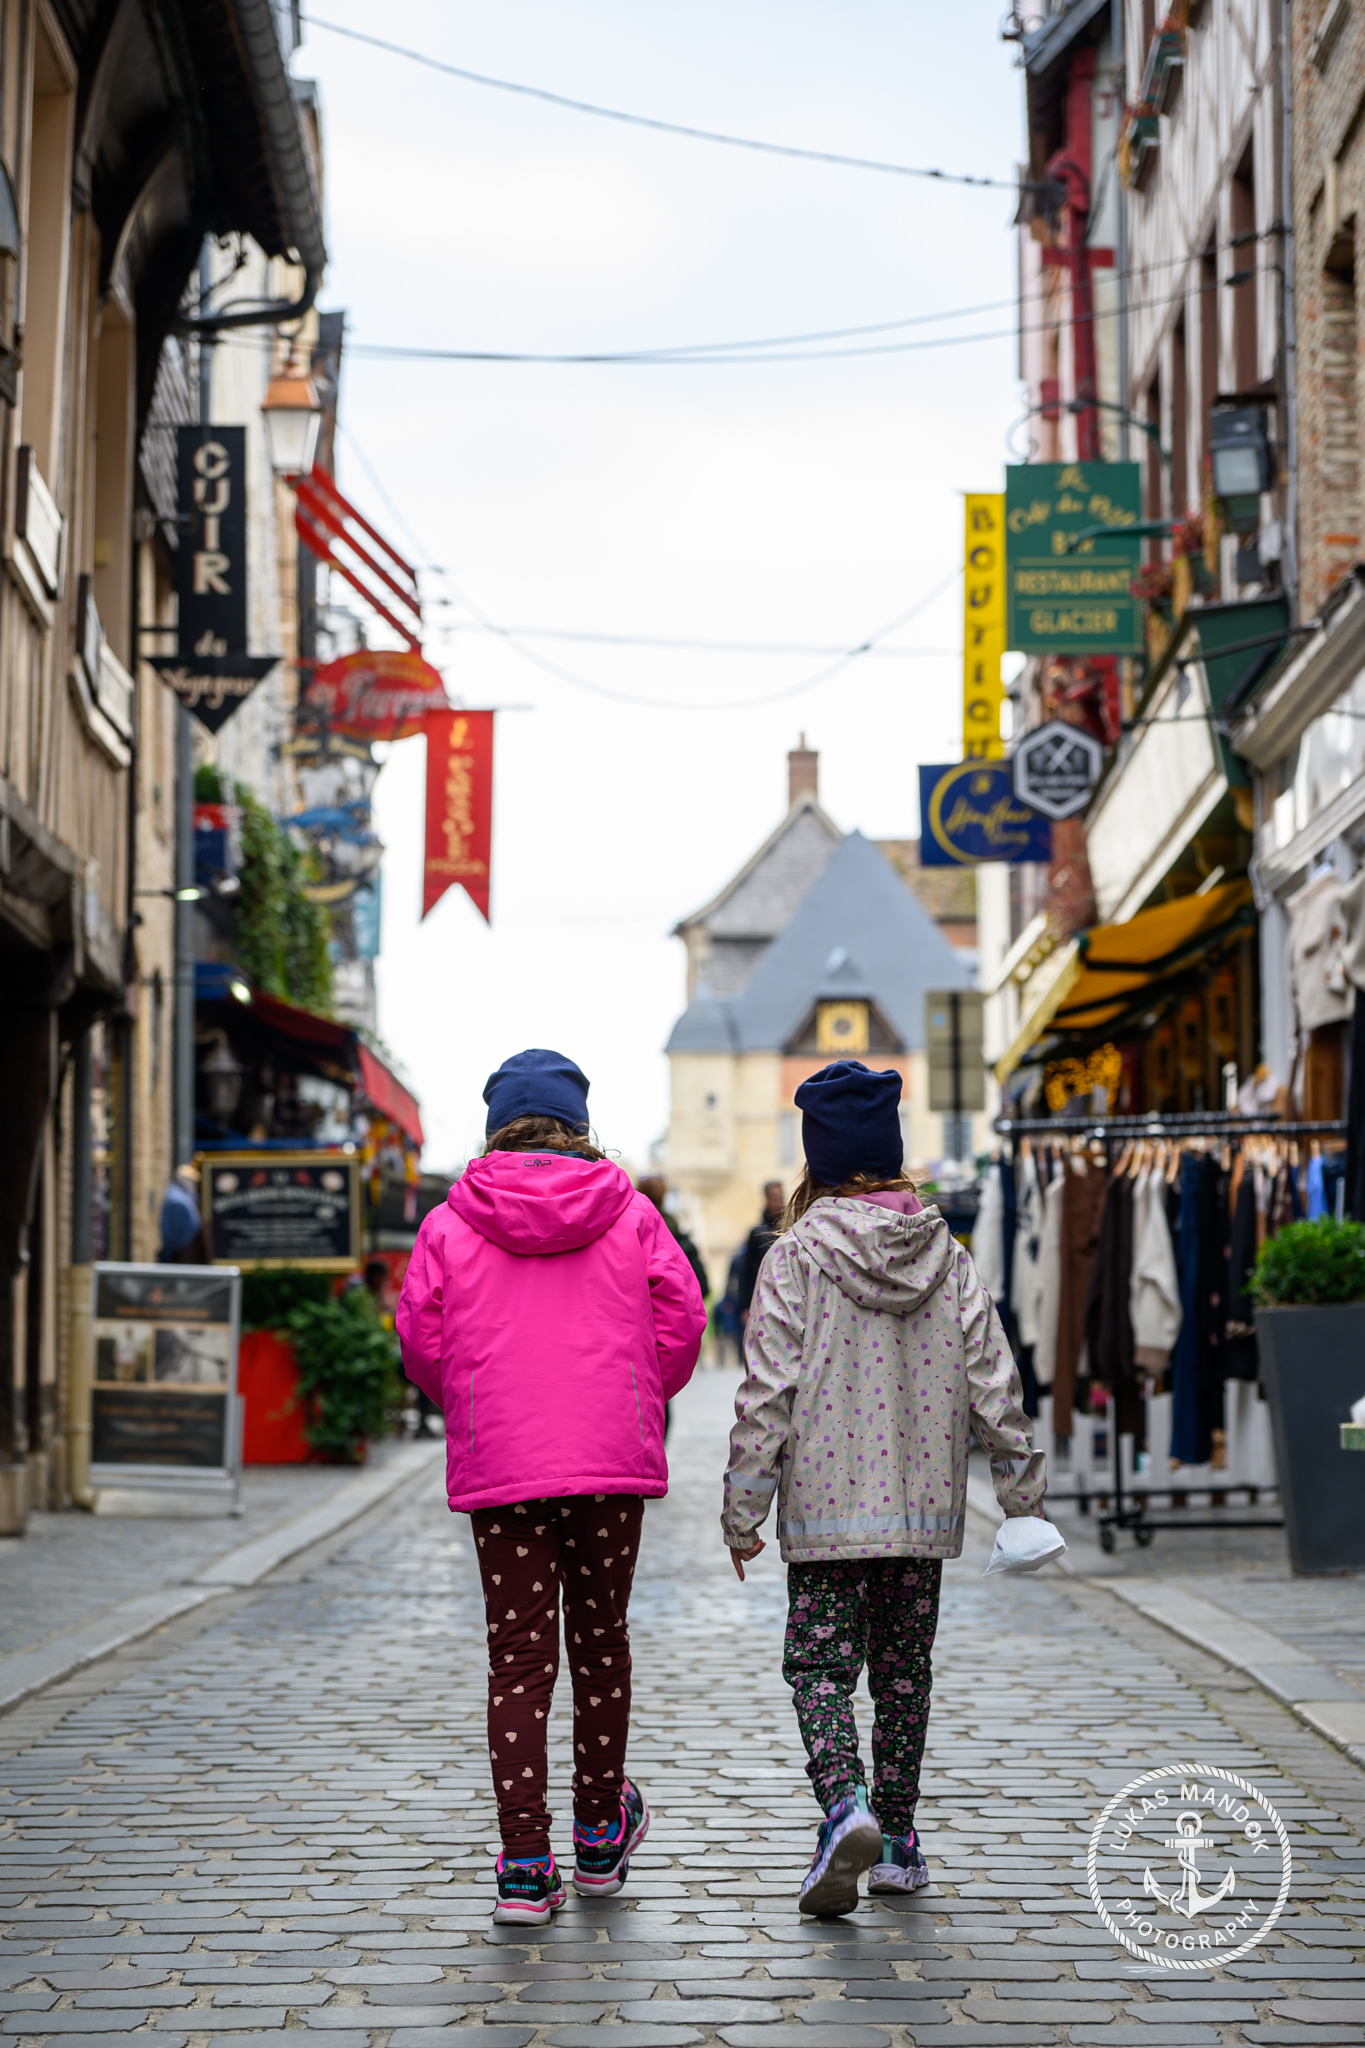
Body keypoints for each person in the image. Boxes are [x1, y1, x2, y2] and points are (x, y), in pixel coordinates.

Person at [722, 1060, 1046, 1919]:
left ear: (818, 1159)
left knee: (819, 1667)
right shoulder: (948, 1256)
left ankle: (844, 1805)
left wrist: (743, 1508)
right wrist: (1021, 1498)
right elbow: (995, 1381)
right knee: (903, 1672)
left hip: (825, 1513)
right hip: (920, 1508)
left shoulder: (794, 1257)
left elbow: (766, 1393)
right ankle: (898, 1842)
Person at [397, 1048, 706, 1926]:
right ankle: (600, 1837)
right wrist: (631, 1397)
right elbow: (680, 1321)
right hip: (607, 1461)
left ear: (497, 1126)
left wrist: (475, 1403)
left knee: (518, 1658)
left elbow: (419, 1338)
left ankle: (526, 1868)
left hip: (503, 1464)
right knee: (601, 1644)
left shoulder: (449, 1222)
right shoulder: (630, 1212)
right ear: (578, 1124)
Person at [737, 1180, 785, 1324]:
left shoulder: (791, 1228)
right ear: (767, 1199)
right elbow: (747, 1272)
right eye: (775, 1197)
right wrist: (745, 1306)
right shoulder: (758, 1233)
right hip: (763, 1300)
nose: (780, 1202)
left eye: (781, 1197)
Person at [158, 1164, 208, 1264]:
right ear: (181, 1179)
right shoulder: (177, 1201)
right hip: (181, 1255)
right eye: (191, 1181)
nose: (193, 1184)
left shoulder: (184, 1196)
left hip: (184, 1253)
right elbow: (174, 1236)